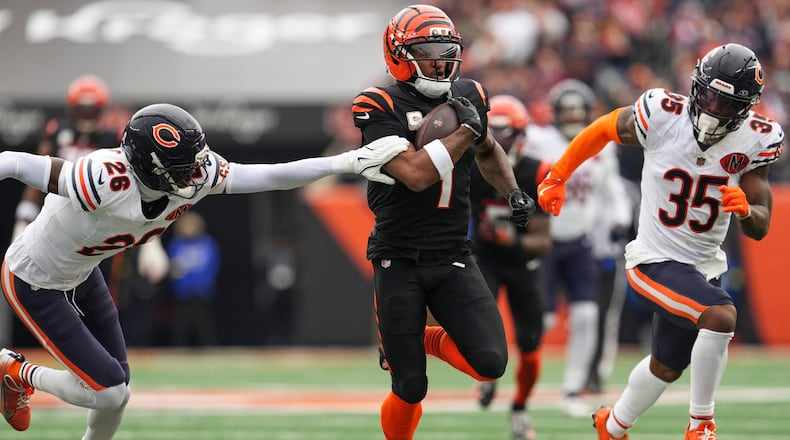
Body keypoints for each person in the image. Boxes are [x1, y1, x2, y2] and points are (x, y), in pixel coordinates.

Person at [0, 102, 407, 438]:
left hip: (84, 273)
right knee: (107, 392)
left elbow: (269, 175)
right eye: (181, 169)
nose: (196, 175)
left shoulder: (194, 170)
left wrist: (348, 162)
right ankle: (14, 371)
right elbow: (13, 162)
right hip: (35, 280)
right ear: (147, 167)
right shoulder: (101, 178)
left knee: (118, 397)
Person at [537, 43, 782, 440]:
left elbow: (761, 225)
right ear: (695, 86)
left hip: (704, 265)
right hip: (653, 259)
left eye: (726, 102)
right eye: (708, 95)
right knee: (720, 316)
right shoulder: (664, 115)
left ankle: (611, 426)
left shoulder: (756, 139)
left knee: (667, 364)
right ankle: (701, 425)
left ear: (746, 106)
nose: (714, 107)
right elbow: (603, 128)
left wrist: (746, 211)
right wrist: (558, 175)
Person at [353, 5, 535, 439]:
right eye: (429, 52)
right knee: (410, 386)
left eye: (446, 51)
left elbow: (488, 149)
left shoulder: (470, 93)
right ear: (399, 54)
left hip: (453, 252)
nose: (441, 62)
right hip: (398, 257)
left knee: (490, 362)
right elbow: (415, 175)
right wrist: (464, 133)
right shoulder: (378, 103)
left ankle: (427, 338)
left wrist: (512, 191)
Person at [524, 78, 631, 417]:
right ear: (554, 114)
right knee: (543, 319)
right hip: (546, 239)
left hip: (582, 242)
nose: (572, 117)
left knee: (587, 315)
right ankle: (511, 377)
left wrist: (620, 219)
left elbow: (613, 190)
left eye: (577, 111)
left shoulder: (601, 146)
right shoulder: (539, 142)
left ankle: (572, 389)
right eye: (566, 111)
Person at [469, 95, 552, 439]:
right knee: (480, 328)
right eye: (494, 135)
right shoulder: (472, 165)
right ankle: (487, 377)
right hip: (484, 257)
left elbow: (544, 242)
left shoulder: (537, 170)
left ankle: (519, 407)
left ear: (520, 135)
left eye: (506, 135)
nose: (498, 144)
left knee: (531, 346)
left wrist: (512, 241)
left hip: (523, 262)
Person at [165, 211, 221, 347]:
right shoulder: (176, 244)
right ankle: (179, 348)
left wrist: (204, 285)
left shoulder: (208, 244)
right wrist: (180, 284)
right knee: (181, 324)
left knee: (204, 323)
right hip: (182, 292)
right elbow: (172, 267)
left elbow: (212, 266)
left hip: (203, 292)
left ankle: (209, 348)